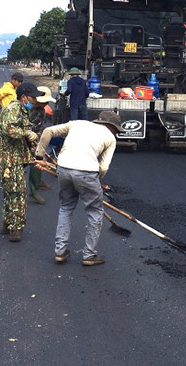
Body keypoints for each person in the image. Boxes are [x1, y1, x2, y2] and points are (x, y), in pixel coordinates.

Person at [35, 110, 121, 266]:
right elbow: (103, 167)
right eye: (116, 129)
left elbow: (48, 131)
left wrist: (39, 156)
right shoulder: (110, 137)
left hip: (63, 168)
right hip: (87, 172)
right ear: (111, 126)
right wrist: (95, 181)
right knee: (95, 211)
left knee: (66, 208)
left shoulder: (77, 123)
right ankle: (89, 255)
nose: (115, 132)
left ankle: (60, 251)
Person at [0, 80, 44, 242]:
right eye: (32, 98)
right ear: (24, 97)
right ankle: (15, 229)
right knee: (17, 194)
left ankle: (7, 223)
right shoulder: (13, 110)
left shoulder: (21, 110)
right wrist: (26, 133)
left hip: (13, 158)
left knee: (10, 193)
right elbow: (8, 129)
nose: (34, 101)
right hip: (11, 160)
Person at [0, 72, 24, 189]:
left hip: (12, 122)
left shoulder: (15, 90)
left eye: (20, 82)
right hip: (3, 122)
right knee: (4, 151)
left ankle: (9, 175)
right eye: (18, 81)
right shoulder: (7, 88)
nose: (19, 84)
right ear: (13, 80)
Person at [26, 85, 56, 204]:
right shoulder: (23, 107)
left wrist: (38, 144)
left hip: (32, 139)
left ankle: (34, 190)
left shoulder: (41, 112)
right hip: (16, 139)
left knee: (36, 162)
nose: (47, 103)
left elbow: (39, 129)